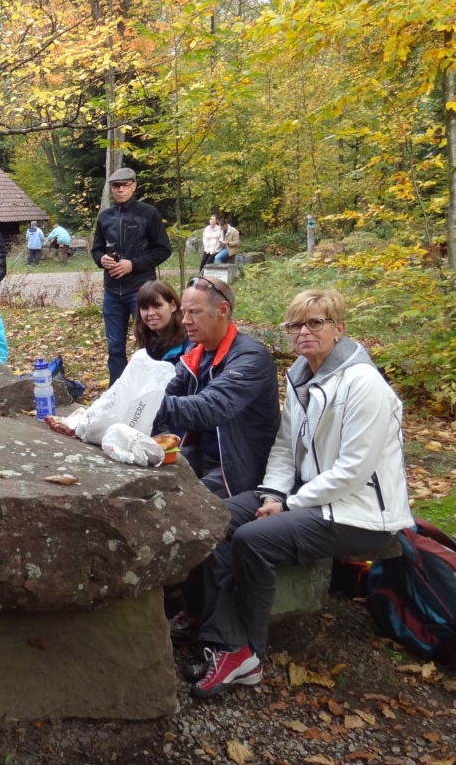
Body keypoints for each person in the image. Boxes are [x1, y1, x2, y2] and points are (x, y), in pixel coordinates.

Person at [187, 289, 414, 698]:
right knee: (218, 516)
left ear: (339, 328)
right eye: (296, 324)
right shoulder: (301, 376)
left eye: (316, 322)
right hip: (309, 498)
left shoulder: (364, 384)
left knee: (253, 540)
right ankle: (222, 641)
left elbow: (353, 472)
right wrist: (273, 494)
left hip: (361, 513)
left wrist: (290, 503)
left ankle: (248, 654)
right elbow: (284, 445)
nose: (304, 331)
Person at [153, 274, 281, 643]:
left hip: (240, 470)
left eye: (194, 313)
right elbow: (167, 394)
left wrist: (142, 401)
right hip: (202, 458)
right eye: (185, 313)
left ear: (222, 311)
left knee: (191, 510)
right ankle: (179, 600)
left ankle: (199, 615)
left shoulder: (251, 356)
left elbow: (212, 408)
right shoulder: (196, 354)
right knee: (148, 485)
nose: (185, 321)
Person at [91, 167, 172, 383]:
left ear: (134, 186)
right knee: (115, 346)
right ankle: (117, 390)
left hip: (141, 290)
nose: (119, 190)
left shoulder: (149, 213)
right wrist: (101, 260)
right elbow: (96, 250)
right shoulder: (105, 217)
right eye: (115, 186)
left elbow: (163, 250)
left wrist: (133, 264)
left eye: (124, 185)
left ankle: (151, 387)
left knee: (149, 341)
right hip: (112, 290)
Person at [132, 279, 190, 363]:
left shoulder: (189, 342)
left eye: (157, 306)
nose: (150, 313)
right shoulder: (146, 340)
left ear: (173, 306)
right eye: (145, 308)